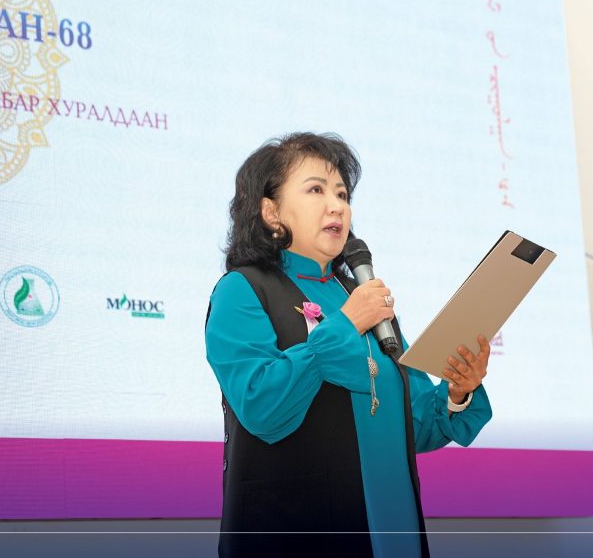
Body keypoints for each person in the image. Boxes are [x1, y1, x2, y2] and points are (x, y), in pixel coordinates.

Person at [204, 132, 493, 558]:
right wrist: (346, 325)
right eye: (316, 190)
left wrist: (456, 393)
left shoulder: (362, 297)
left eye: (342, 193)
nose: (337, 205)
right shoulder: (242, 289)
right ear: (271, 212)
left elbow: (416, 426)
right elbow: (261, 406)